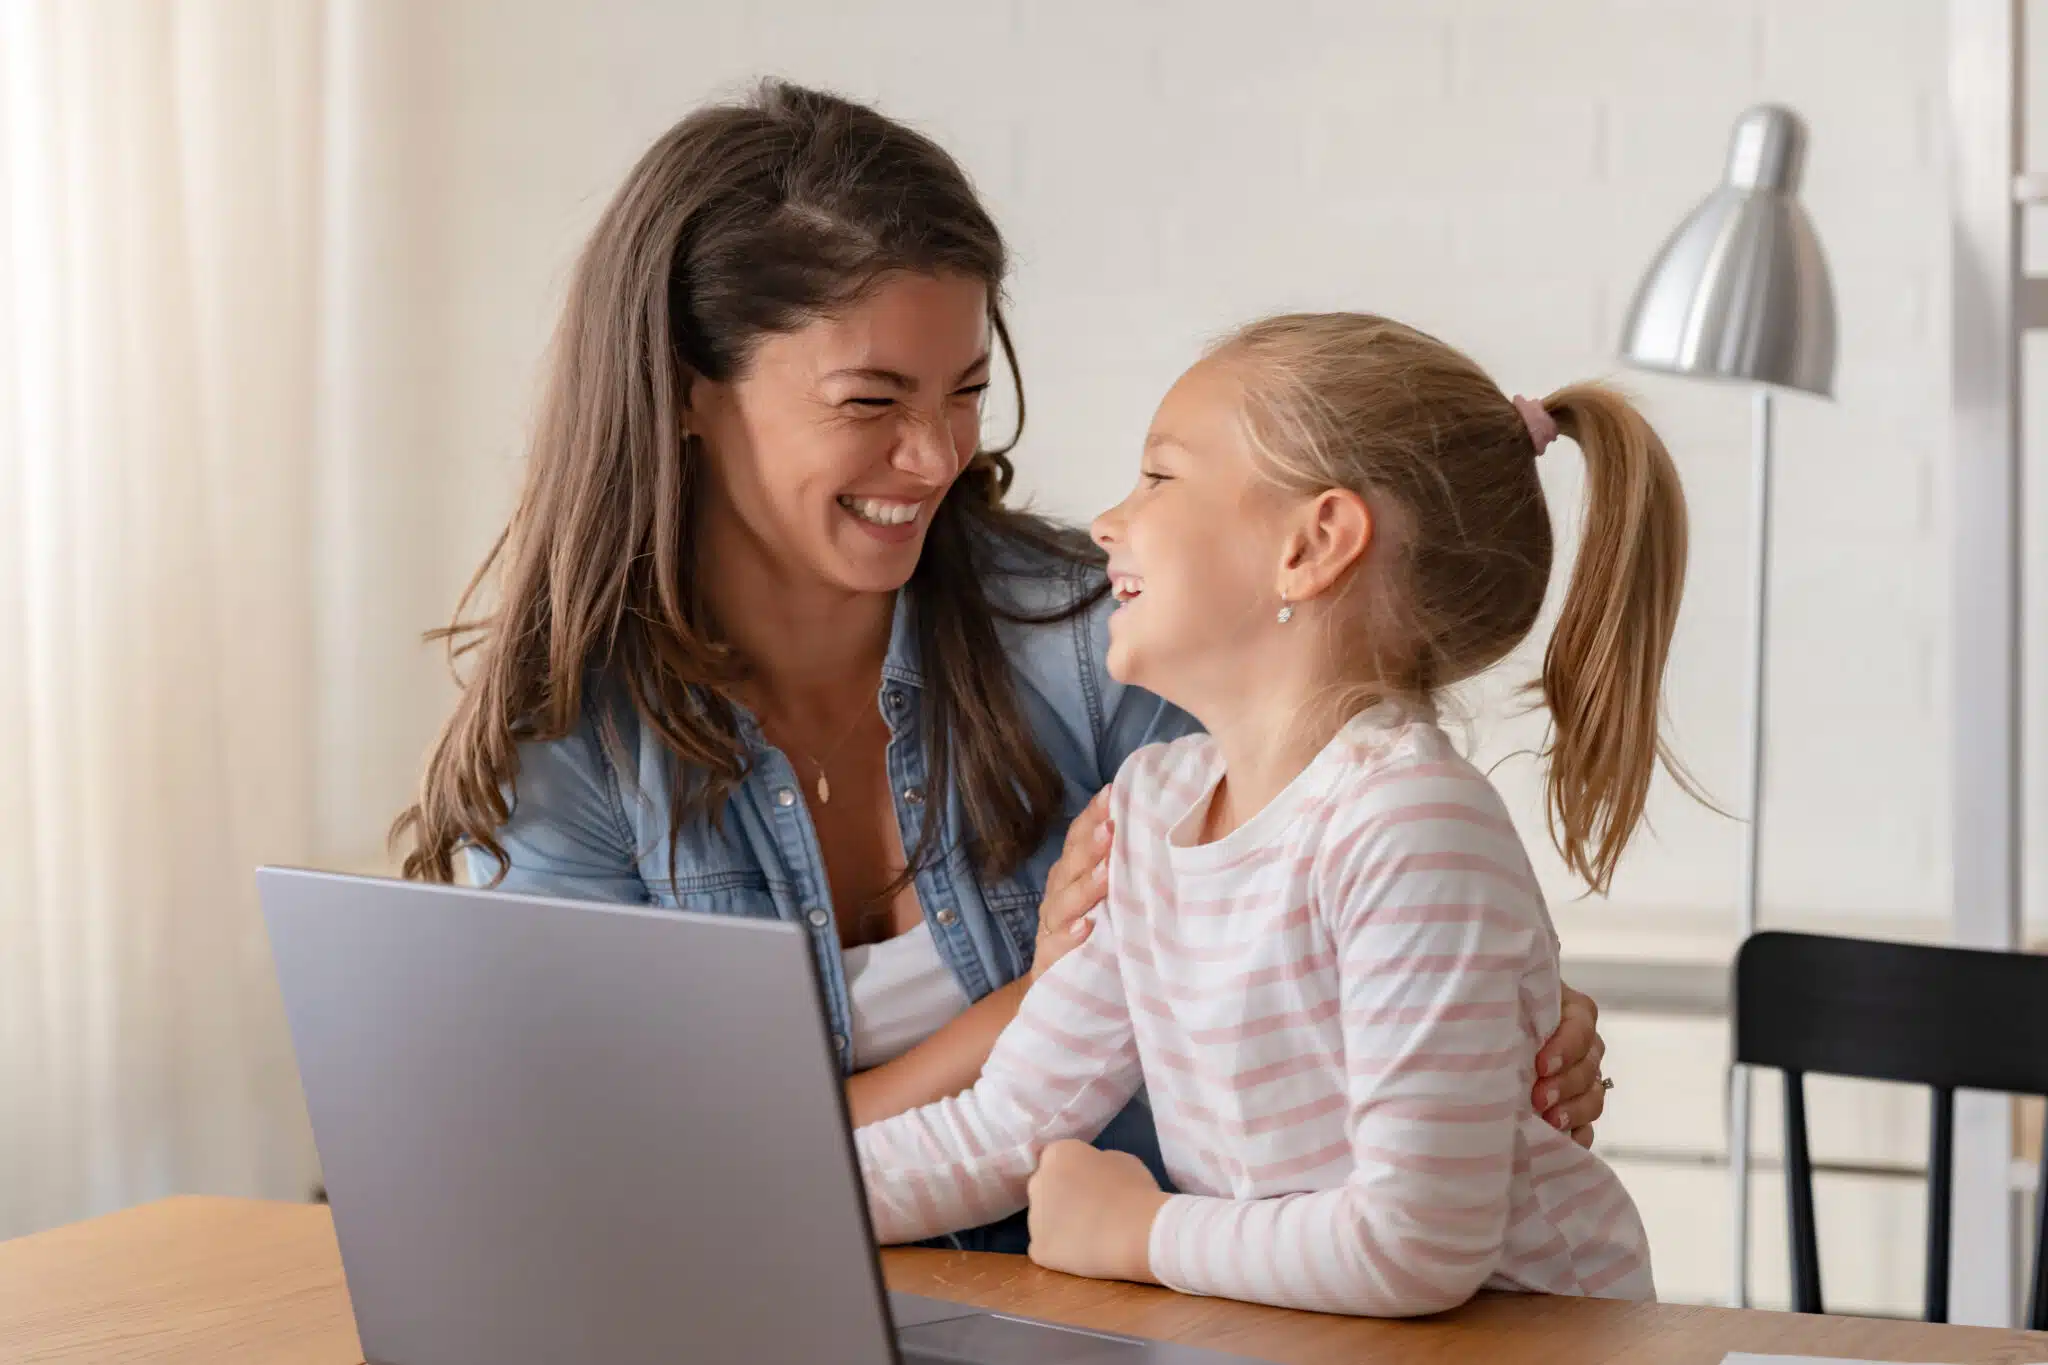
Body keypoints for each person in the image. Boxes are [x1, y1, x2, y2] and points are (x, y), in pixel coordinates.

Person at [391, 82, 1611, 1253]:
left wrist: (1494, 1020)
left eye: (964, 391)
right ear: (685, 390)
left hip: (1146, 1305)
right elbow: (604, 1165)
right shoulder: (577, 746)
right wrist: (1008, 1016)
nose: (931, 457)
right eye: (870, 400)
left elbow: (1338, 900)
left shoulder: (1099, 640)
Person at [854, 313, 1678, 1312]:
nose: (1108, 522)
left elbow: (1412, 1244)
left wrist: (1140, 1231)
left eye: (1158, 477)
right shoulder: (1150, 811)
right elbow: (1001, 1127)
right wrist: (763, 1200)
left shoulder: (1407, 825)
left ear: (1312, 544)